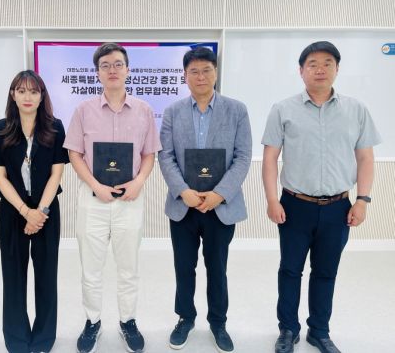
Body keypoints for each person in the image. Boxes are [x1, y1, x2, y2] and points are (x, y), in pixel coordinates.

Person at [262, 41, 381, 353]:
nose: (320, 69)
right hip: (294, 205)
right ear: (301, 71)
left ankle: (319, 331)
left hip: (338, 207)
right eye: (312, 64)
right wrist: (272, 200)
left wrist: (362, 199)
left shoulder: (356, 110)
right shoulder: (282, 109)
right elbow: (270, 158)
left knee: (326, 272)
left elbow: (366, 158)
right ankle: (288, 330)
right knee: (290, 270)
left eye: (328, 63)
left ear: (337, 69)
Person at [63, 42, 161, 353]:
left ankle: (127, 321)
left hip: (130, 200)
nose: (112, 70)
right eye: (105, 65)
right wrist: (96, 185)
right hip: (93, 199)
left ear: (128, 69)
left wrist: (139, 181)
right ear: (98, 73)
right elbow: (75, 154)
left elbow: (149, 154)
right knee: (91, 269)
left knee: (128, 268)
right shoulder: (83, 110)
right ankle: (92, 321)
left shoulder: (144, 110)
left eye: (118, 64)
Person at [158, 46, 252, 353]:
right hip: (183, 206)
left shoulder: (236, 110)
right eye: (194, 71)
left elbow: (243, 157)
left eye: (206, 70)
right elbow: (166, 155)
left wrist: (218, 194)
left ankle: (218, 323)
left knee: (217, 268)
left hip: (220, 206)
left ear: (216, 73)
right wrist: (183, 191)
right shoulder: (172, 112)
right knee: (184, 268)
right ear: (185, 76)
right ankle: (185, 318)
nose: (201, 76)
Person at [0, 70, 69, 353]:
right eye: (21, 91)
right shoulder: (0, 129)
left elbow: (56, 174)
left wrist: (40, 212)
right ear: (13, 94)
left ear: (42, 96)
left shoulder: (55, 128)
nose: (27, 97)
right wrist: (26, 211)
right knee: (13, 277)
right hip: (12, 212)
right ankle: (17, 339)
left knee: (46, 277)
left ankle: (44, 338)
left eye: (34, 91)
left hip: (46, 213)